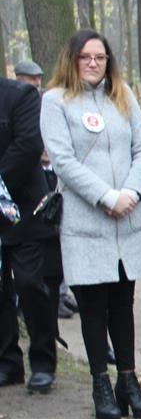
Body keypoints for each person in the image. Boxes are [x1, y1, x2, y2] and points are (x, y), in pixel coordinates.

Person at [41, 29, 141, 419]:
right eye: (86, 57)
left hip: (128, 217)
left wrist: (130, 192)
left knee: (123, 304)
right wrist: (106, 197)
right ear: (72, 60)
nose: (94, 63)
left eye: (101, 57)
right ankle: (100, 384)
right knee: (93, 305)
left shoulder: (123, 97)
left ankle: (129, 381)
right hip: (88, 217)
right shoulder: (55, 101)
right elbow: (62, 160)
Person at [0, 74, 60, 394]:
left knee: (29, 284)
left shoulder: (21, 95)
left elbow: (28, 145)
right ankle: (8, 362)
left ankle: (43, 361)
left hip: (25, 211)